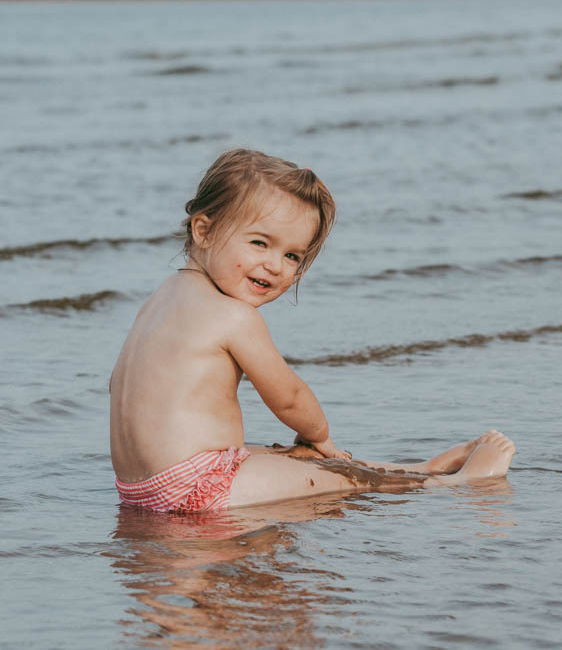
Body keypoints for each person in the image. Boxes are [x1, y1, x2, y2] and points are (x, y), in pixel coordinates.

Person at [109, 149, 515, 512]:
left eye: (291, 255)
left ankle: (418, 467)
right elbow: (289, 398)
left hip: (140, 488)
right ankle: (461, 484)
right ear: (204, 231)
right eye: (259, 243)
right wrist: (319, 436)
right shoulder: (233, 315)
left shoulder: (159, 301)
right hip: (201, 487)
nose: (275, 265)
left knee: (288, 457)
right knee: (342, 478)